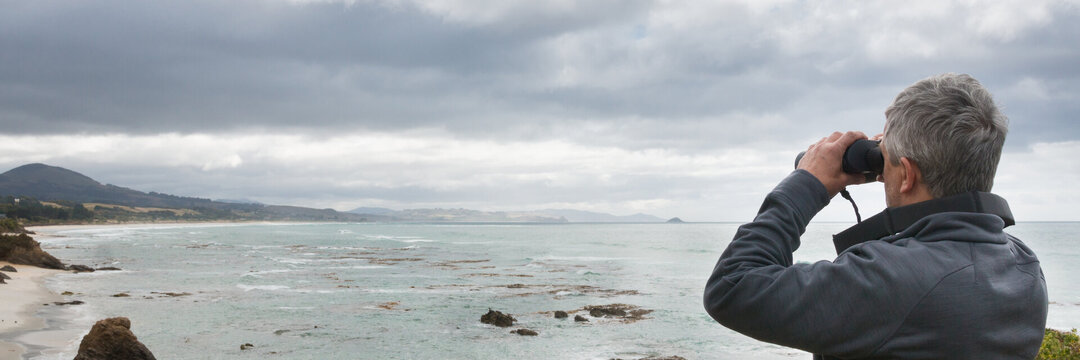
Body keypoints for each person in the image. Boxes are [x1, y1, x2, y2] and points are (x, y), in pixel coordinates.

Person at [703, 73, 1048, 359]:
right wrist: (893, 155)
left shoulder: (890, 279)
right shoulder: (1024, 268)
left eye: (886, 160)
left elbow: (733, 286)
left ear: (908, 175)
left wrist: (807, 183)